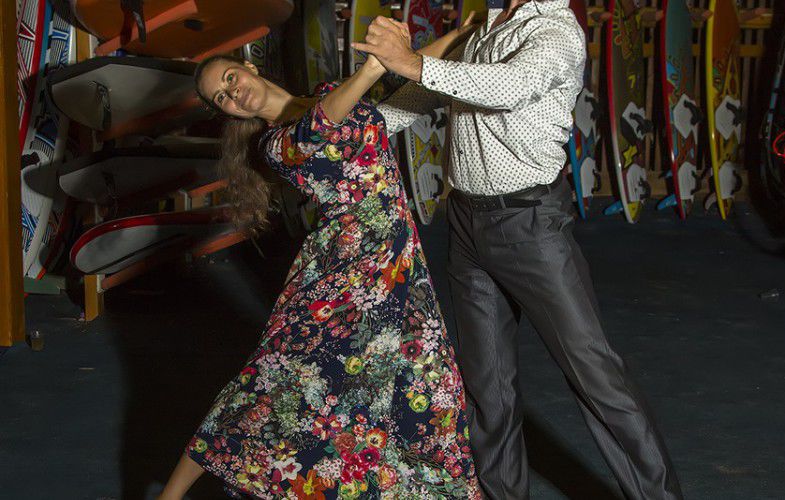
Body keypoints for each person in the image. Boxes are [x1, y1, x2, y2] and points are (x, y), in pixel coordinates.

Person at [356, 1, 685, 499]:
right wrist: (348, 130)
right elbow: (424, 95)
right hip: (466, 225)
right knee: (487, 386)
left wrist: (411, 61)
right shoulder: (485, 25)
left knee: (595, 375)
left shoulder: (555, 30)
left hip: (530, 225)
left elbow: (508, 87)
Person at [157, 18, 486, 500]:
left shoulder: (332, 93)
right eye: (221, 98)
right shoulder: (276, 144)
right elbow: (322, 125)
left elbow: (408, 83)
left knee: (431, 394)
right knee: (271, 386)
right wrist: (373, 67)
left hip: (398, 270)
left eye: (230, 78)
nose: (233, 93)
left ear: (249, 67)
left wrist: (462, 33)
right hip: (342, 277)